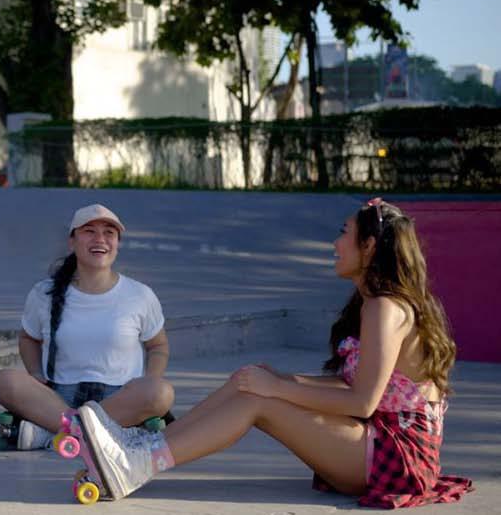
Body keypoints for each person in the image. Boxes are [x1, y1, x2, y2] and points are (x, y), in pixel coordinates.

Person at [69, 199, 474, 508]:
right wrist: (279, 379)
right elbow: (353, 386)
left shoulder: (384, 308)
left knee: (259, 399)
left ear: (368, 246)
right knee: (253, 378)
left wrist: (276, 389)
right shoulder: (374, 303)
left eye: (344, 233)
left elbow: (363, 402)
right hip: (378, 440)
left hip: (397, 459)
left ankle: (138, 465)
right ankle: (139, 451)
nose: (335, 243)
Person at [0, 204, 173, 450]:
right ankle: (107, 434)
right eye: (89, 231)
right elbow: (28, 338)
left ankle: (57, 433)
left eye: (109, 233)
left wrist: (148, 380)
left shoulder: (140, 295)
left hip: (120, 400)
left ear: (117, 243)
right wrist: (35, 374)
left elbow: (158, 345)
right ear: (72, 242)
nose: (100, 239)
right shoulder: (44, 293)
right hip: (58, 400)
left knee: (161, 392)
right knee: (4, 381)